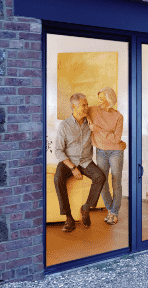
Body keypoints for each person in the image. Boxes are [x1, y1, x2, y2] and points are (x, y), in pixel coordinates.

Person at [54, 93, 105, 232]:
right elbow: (58, 150)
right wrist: (72, 168)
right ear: (73, 106)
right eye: (83, 105)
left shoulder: (90, 122)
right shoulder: (64, 125)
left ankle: (86, 208)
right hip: (68, 161)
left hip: (86, 161)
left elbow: (102, 125)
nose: (86, 107)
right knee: (58, 178)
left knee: (100, 177)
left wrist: (90, 120)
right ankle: (68, 218)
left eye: (87, 104)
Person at [87, 87, 126, 225]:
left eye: (102, 99)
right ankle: (110, 209)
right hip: (101, 151)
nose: (99, 101)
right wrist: (89, 121)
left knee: (116, 182)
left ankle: (114, 213)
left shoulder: (118, 116)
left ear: (109, 100)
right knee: (102, 181)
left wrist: (98, 130)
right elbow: (82, 111)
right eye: (99, 98)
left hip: (116, 151)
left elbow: (116, 139)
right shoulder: (94, 110)